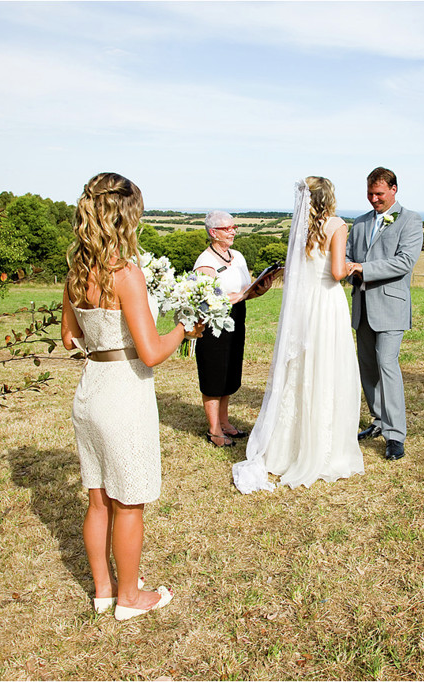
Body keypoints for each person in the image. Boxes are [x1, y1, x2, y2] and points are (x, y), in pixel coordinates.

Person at [61, 172, 203, 621]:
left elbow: (68, 339)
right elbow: (152, 352)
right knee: (129, 501)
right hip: (123, 394)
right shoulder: (126, 274)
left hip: (89, 393)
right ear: (125, 217)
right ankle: (130, 598)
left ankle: (104, 591)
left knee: (98, 498)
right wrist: (184, 329)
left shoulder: (75, 273)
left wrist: (101, 336)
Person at [233, 177, 364, 493]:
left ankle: (286, 448)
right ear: (329, 197)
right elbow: (336, 272)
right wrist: (353, 266)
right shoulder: (337, 225)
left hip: (305, 307)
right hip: (327, 304)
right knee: (328, 368)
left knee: (302, 369)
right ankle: (325, 449)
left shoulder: (301, 228)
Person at [345, 167, 423, 461]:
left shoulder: (411, 220)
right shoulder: (360, 221)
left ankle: (395, 435)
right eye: (370, 194)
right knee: (367, 366)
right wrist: (347, 269)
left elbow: (404, 262)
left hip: (391, 306)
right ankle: (378, 420)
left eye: (379, 193)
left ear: (394, 189)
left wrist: (363, 268)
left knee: (387, 364)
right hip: (362, 306)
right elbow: (347, 256)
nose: (374, 199)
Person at [193, 211, 276, 448]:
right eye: (227, 228)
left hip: (237, 317)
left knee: (229, 372)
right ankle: (214, 430)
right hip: (214, 323)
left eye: (234, 227)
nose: (232, 232)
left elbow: (245, 291)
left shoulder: (237, 256)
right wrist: (235, 297)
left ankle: (225, 422)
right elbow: (205, 301)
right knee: (214, 374)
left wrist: (261, 289)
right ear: (213, 232)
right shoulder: (205, 263)